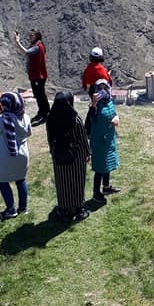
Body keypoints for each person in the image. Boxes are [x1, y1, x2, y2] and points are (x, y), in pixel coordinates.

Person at [46, 91, 91, 222]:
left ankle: (64, 210)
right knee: (77, 181)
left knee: (62, 182)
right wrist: (88, 153)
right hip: (76, 156)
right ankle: (78, 210)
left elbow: (50, 137)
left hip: (58, 155)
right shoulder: (75, 119)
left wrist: (52, 151)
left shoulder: (51, 118)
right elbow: (82, 139)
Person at [0, 91, 32, 219]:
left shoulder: (3, 119)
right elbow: (29, 133)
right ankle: (23, 208)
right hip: (23, 155)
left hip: (7, 155)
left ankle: (11, 209)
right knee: (21, 180)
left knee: (2, 181)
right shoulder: (26, 117)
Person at [88, 79, 120, 203]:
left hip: (109, 140)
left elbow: (115, 113)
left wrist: (117, 118)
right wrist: (94, 103)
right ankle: (96, 193)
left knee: (108, 165)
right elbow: (92, 116)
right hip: (99, 141)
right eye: (100, 88)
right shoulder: (94, 107)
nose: (103, 91)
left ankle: (106, 187)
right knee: (100, 167)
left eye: (105, 88)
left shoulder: (109, 102)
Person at [14, 28, 50, 124]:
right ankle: (42, 112)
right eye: (29, 35)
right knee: (38, 95)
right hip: (35, 75)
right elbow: (25, 53)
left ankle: (46, 113)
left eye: (31, 36)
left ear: (36, 36)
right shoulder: (35, 45)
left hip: (39, 76)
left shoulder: (38, 46)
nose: (29, 37)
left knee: (41, 95)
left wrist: (18, 42)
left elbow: (25, 52)